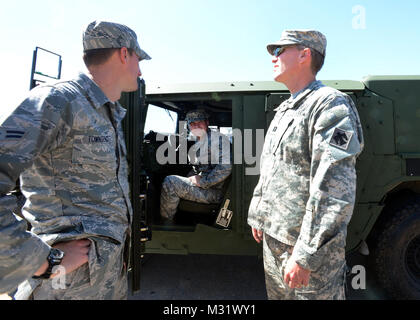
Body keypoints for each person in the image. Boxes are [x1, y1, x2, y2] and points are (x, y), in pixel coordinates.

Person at [0, 20, 151, 299]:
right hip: (65, 286)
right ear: (123, 54)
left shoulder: (107, 112)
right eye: (138, 59)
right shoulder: (57, 100)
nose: (140, 70)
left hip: (104, 279)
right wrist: (40, 261)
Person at [247, 30, 364, 300]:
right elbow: (272, 167)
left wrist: (306, 255)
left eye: (279, 51)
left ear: (304, 54)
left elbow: (334, 189)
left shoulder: (329, 105)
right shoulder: (286, 109)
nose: (273, 58)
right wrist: (259, 212)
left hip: (306, 253)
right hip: (276, 243)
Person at [160, 109, 232, 222]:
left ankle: (166, 223)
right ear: (189, 127)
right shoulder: (200, 140)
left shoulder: (218, 140)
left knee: (170, 182)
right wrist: (191, 178)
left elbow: (226, 167)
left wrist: (203, 182)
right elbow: (199, 167)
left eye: (200, 122)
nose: (196, 126)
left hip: (215, 192)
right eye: (193, 124)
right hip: (209, 187)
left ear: (207, 123)